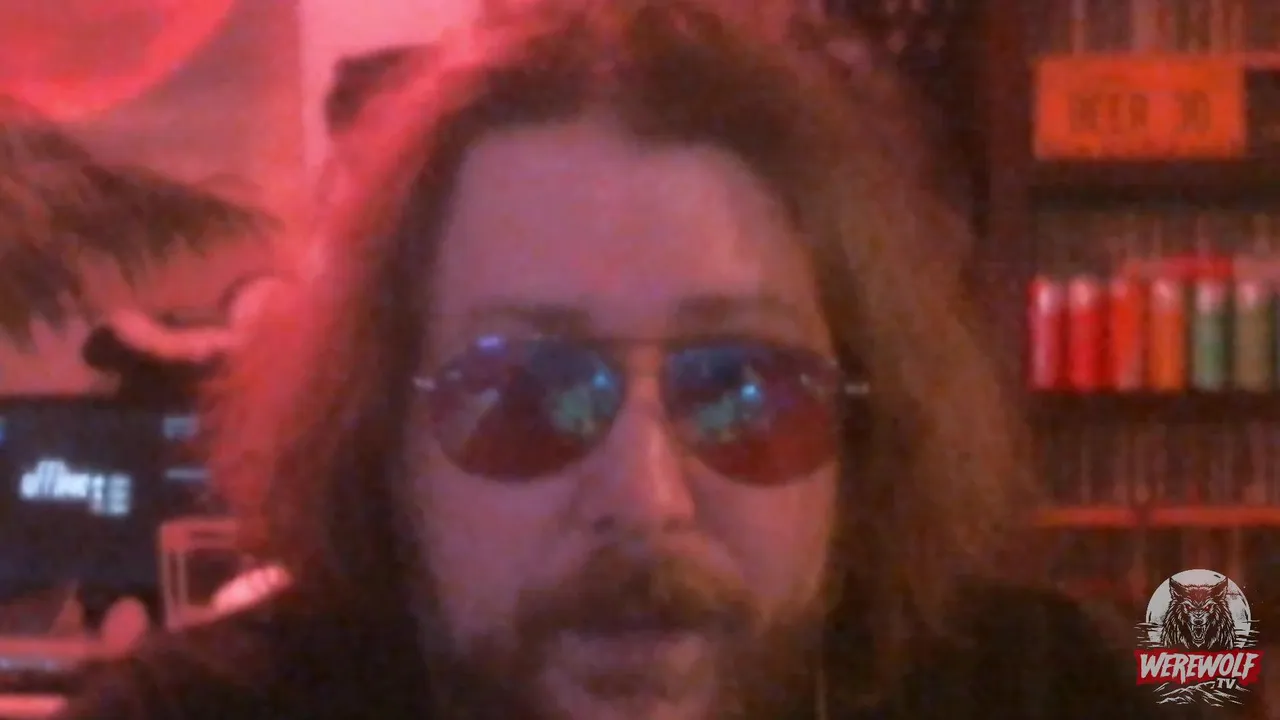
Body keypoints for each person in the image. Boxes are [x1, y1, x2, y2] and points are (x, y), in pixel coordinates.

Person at [58, 2, 1154, 719]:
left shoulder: (1047, 689)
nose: (643, 497)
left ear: (864, 434)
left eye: (741, 390)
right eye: (522, 395)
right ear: (384, 445)